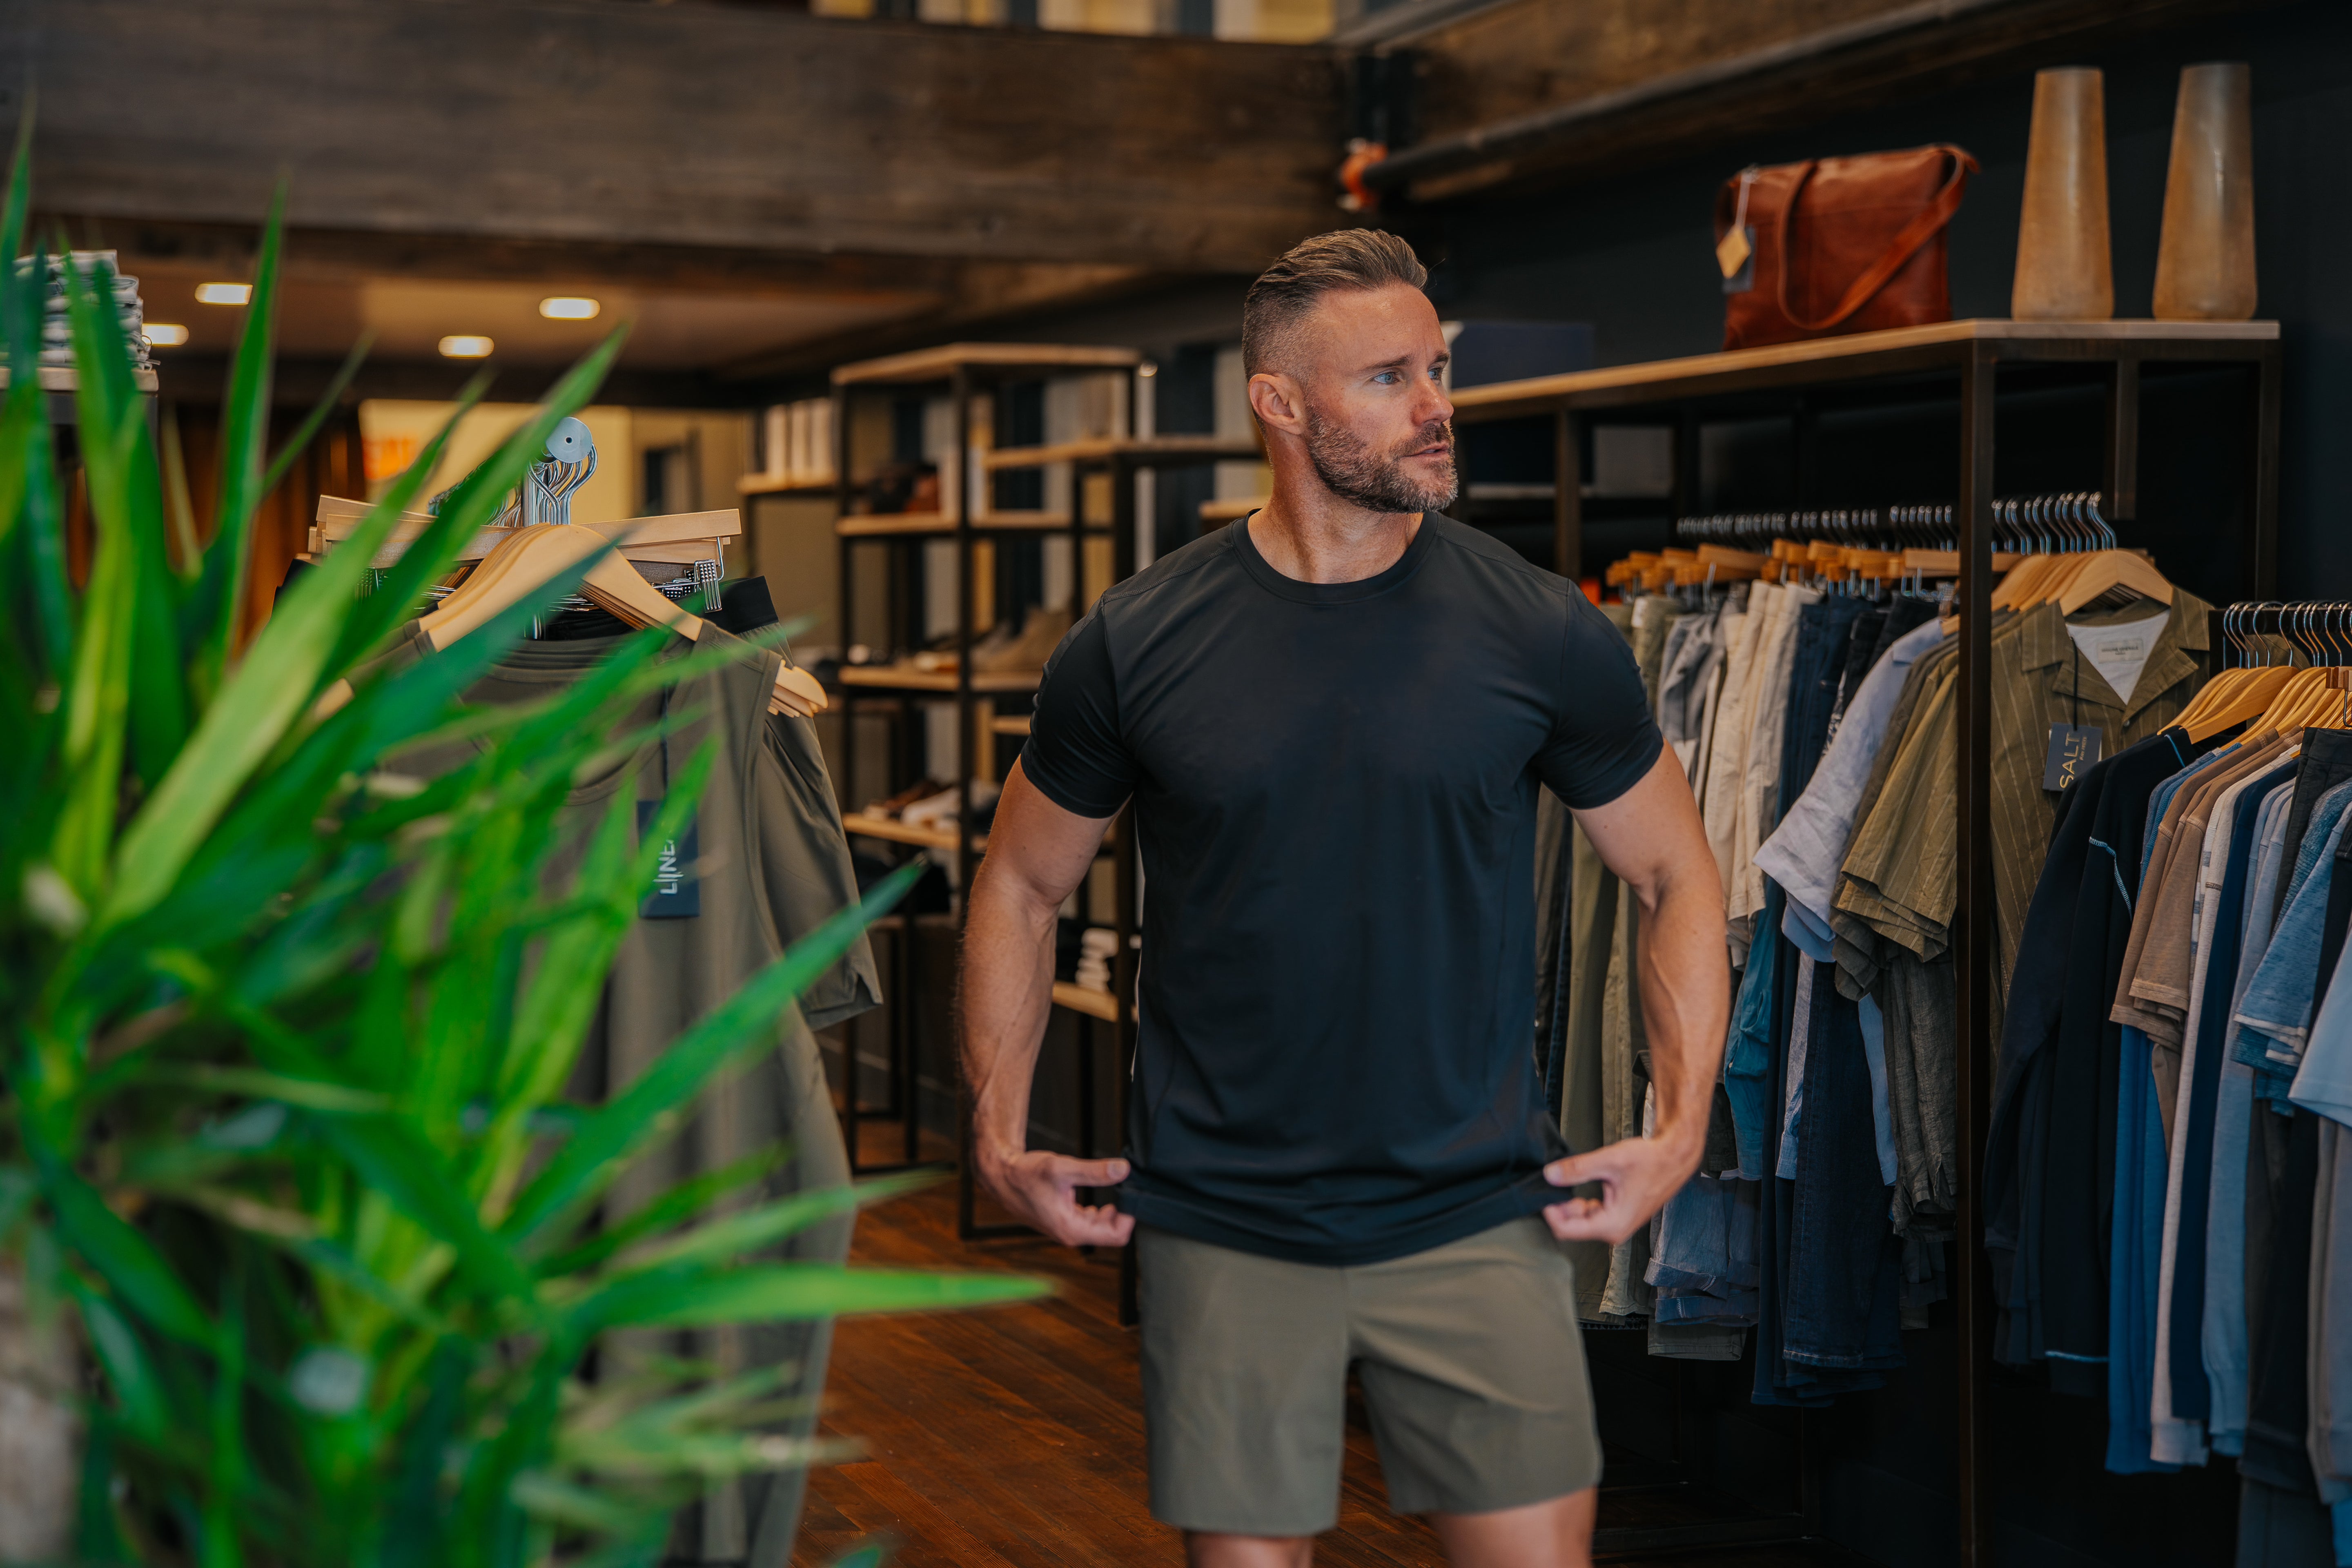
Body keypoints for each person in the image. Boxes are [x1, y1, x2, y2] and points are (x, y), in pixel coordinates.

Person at [958, 229, 1730, 1568]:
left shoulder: (1539, 629)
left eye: (1438, 370)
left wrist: (1680, 1127)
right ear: (1278, 401)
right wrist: (995, 1132)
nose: (1435, 406)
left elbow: (1675, 872)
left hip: (1479, 1210)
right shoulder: (1134, 642)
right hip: (1224, 1218)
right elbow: (1022, 884)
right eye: (1388, 379)